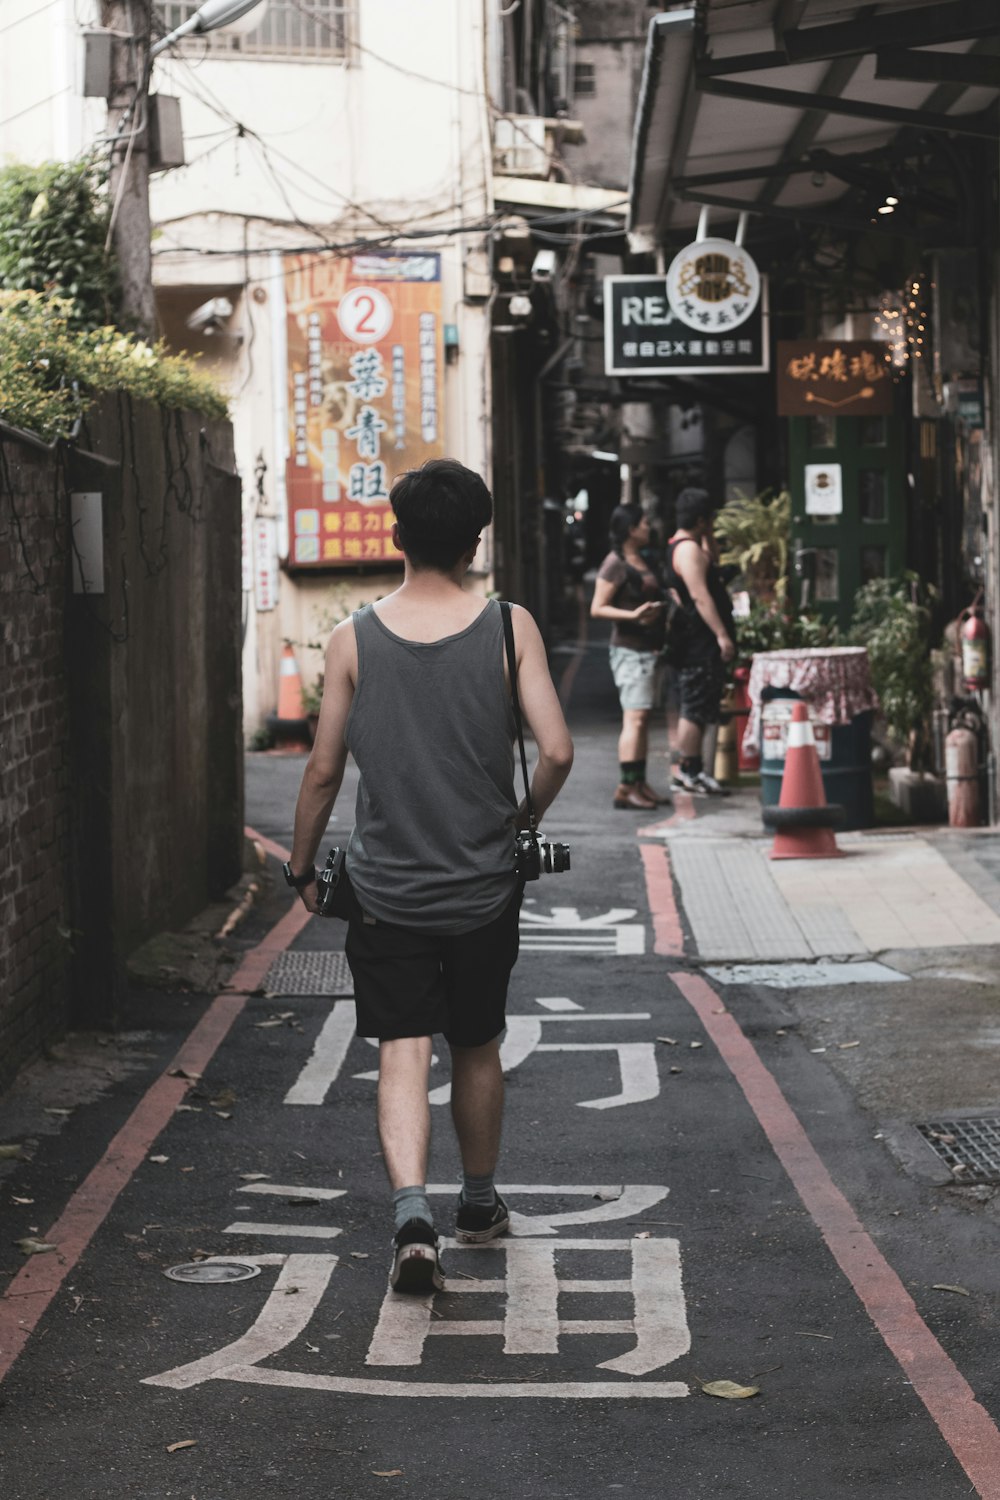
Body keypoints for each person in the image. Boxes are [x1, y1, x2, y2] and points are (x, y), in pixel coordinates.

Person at [286, 458, 574, 1295]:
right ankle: (477, 1206)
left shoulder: (352, 638)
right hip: (485, 885)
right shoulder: (509, 626)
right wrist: (522, 819)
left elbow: (322, 772)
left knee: (403, 1048)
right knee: (477, 1041)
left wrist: (302, 867)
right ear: (475, 541)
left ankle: (412, 1213)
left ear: (397, 535)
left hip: (385, 892)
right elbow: (556, 749)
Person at [590, 503, 672, 810]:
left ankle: (639, 781)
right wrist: (634, 616)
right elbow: (597, 607)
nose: (649, 527)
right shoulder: (615, 563)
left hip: (647, 650)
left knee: (643, 719)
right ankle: (625, 787)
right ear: (630, 529)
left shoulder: (640, 559)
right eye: (644, 523)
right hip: (629, 651)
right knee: (634, 719)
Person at [664, 486, 736, 796]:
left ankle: (692, 771)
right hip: (698, 640)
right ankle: (689, 772)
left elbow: (713, 564)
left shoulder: (689, 545)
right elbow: (700, 595)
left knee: (699, 703)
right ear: (703, 518)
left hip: (697, 640)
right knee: (693, 707)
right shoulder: (687, 550)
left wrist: (706, 535)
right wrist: (722, 635)